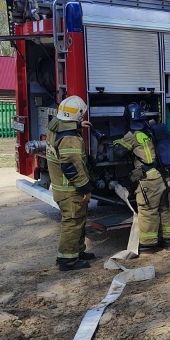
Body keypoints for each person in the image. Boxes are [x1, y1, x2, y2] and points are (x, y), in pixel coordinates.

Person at [114, 103, 170, 252]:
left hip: (149, 180)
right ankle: (168, 242)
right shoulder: (152, 130)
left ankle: (148, 244)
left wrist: (116, 141)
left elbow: (119, 152)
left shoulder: (132, 136)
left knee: (148, 210)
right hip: (164, 177)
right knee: (166, 208)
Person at [45, 95, 96, 271]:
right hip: (70, 190)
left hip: (61, 188)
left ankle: (77, 252)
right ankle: (67, 260)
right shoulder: (70, 139)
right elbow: (71, 168)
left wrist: (76, 125)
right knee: (72, 222)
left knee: (78, 220)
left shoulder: (54, 127)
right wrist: (86, 189)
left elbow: (62, 127)